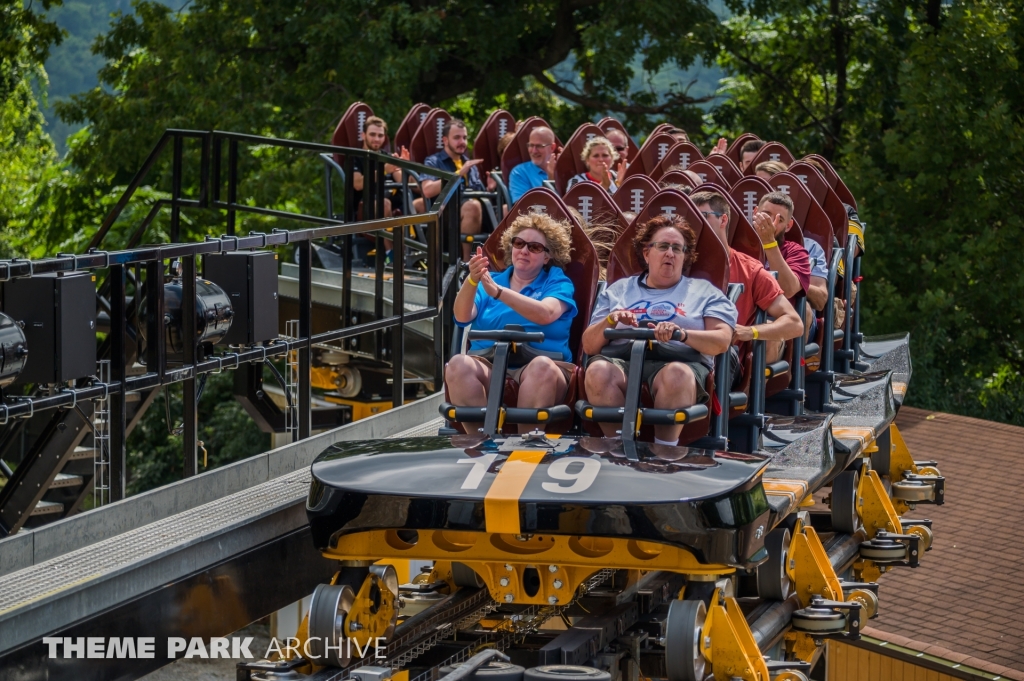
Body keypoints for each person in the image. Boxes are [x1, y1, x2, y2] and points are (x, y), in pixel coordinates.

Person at [583, 214, 737, 444]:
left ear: (685, 257)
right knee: (598, 371)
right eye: (663, 246)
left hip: (682, 361)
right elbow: (588, 344)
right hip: (623, 359)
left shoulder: (705, 292)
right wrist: (611, 321)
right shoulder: (618, 291)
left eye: (677, 248)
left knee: (676, 374)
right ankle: (616, 446)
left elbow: (721, 340)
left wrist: (682, 334)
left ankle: (665, 450)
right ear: (646, 253)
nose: (670, 253)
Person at [446, 213, 578, 432]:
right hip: (489, 361)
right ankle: (479, 446)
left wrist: (499, 293)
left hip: (544, 363)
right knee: (458, 364)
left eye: (534, 247)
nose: (524, 250)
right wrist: (472, 280)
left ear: (547, 256)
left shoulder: (557, 281)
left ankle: (524, 451)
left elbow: (546, 313)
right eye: (519, 243)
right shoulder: (491, 281)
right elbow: (462, 316)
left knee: (541, 368)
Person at [690, 191, 802, 386]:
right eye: (690, 217)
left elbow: (794, 323)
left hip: (722, 362)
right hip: (679, 353)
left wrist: (751, 331)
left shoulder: (749, 269)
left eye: (703, 217)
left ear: (723, 220)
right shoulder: (675, 264)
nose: (695, 223)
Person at [414, 119, 487, 260]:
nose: (462, 142)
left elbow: (477, 192)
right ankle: (467, 264)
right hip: (445, 214)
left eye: (464, 138)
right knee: (473, 206)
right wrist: (458, 174)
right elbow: (427, 190)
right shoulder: (434, 161)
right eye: (457, 138)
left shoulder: (469, 163)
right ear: (445, 140)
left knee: (503, 209)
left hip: (473, 213)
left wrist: (490, 187)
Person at [752, 192, 813, 337]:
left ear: (788, 226)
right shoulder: (738, 247)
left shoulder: (796, 252)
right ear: (755, 213)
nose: (771, 223)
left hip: (776, 324)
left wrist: (769, 242)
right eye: (766, 215)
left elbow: (789, 289)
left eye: (779, 219)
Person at [508, 127, 558, 203]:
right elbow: (523, 207)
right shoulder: (519, 172)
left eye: (539, 146)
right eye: (531, 145)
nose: (534, 151)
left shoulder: (564, 171)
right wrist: (551, 181)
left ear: (552, 147)